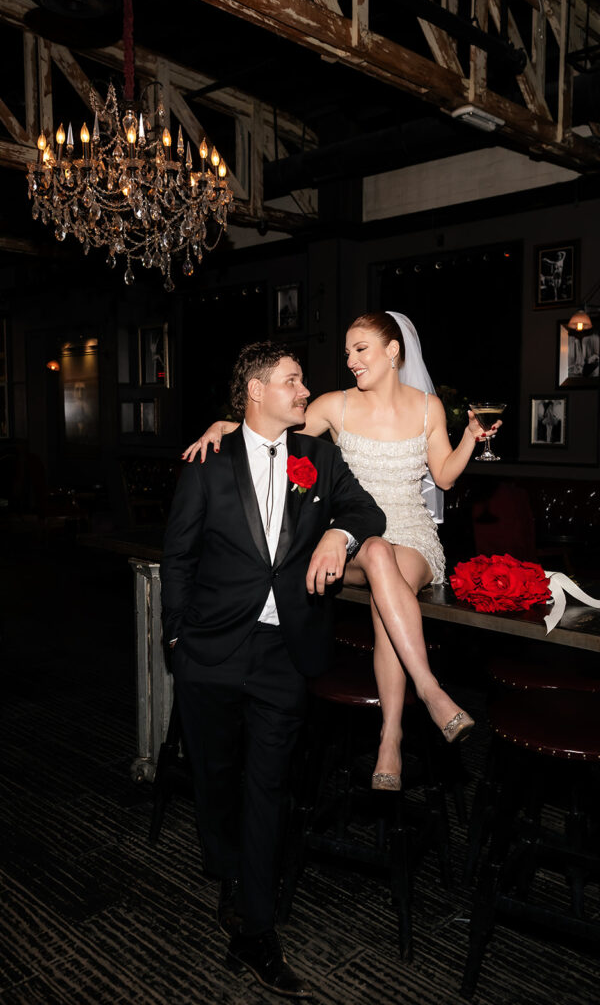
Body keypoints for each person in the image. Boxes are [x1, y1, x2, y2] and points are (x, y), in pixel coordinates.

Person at [184, 311, 501, 793]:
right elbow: (270, 429)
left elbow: (443, 477)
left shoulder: (428, 408)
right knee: (377, 554)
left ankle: (391, 735)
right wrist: (222, 426)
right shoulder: (336, 405)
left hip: (412, 534)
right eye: (348, 351)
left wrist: (471, 440)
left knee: (387, 566)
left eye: (360, 349)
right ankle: (429, 691)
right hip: (353, 537)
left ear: (393, 352)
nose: (350, 360)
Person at [161, 341, 385, 999]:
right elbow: (178, 556)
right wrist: (176, 634)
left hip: (285, 652)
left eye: (303, 380)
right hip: (210, 649)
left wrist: (337, 534)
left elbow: (366, 510)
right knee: (214, 779)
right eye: (292, 380)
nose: (304, 389)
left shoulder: (318, 456)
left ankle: (256, 926)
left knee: (268, 787)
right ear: (256, 390)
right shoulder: (208, 461)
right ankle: (230, 872)